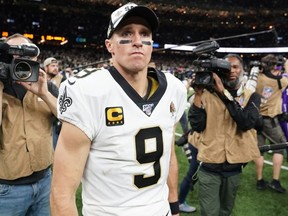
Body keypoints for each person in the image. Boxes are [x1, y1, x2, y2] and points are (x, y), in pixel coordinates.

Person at [50, 2, 187, 216]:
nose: (137, 41)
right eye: (126, 33)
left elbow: (168, 155)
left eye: (144, 33)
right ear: (109, 45)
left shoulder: (174, 88)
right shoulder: (88, 92)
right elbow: (61, 194)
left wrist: (174, 206)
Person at [188, 54, 261, 216]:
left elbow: (246, 123)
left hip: (234, 168)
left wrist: (223, 95)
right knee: (209, 212)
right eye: (228, 67)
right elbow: (197, 126)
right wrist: (198, 95)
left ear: (243, 70)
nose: (232, 70)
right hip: (209, 166)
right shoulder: (207, 94)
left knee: (225, 211)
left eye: (236, 67)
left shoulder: (251, 96)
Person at [0, 33, 58, 215]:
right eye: (13, 55)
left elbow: (69, 119)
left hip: (45, 180)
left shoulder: (48, 87)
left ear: (35, 57)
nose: (19, 60)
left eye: (25, 55)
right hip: (7, 189)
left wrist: (44, 94)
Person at [254, 54, 288, 193]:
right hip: (270, 120)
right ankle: (275, 181)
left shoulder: (257, 78)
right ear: (275, 66)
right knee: (279, 147)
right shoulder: (281, 81)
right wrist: (286, 64)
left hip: (256, 119)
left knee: (259, 149)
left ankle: (260, 180)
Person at [43, 57, 65, 149]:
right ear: (45, 68)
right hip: (43, 114)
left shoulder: (62, 79)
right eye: (53, 66)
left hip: (56, 118)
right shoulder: (41, 78)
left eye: (57, 66)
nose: (56, 68)